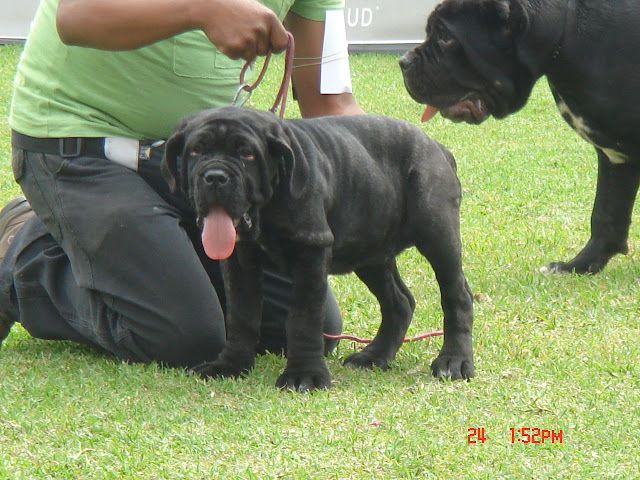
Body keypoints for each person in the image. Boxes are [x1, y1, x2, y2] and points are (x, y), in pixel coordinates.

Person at [0, 0, 365, 368]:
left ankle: (159, 262)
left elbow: (329, 102)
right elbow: (75, 16)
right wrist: (202, 9)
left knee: (308, 330)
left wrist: (412, 164)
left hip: (197, 165)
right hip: (83, 148)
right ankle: (20, 252)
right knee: (187, 339)